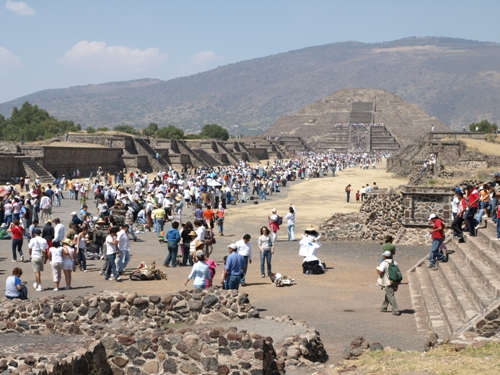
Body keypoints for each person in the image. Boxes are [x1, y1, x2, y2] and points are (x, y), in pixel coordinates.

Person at [377, 250, 401, 315]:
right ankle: (383, 307)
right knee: (389, 293)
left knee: (390, 295)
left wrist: (377, 270)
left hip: (387, 281)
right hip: (394, 281)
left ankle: (395, 310)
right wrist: (397, 284)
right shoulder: (395, 262)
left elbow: (380, 272)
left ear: (384, 256)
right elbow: (397, 273)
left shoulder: (384, 263)